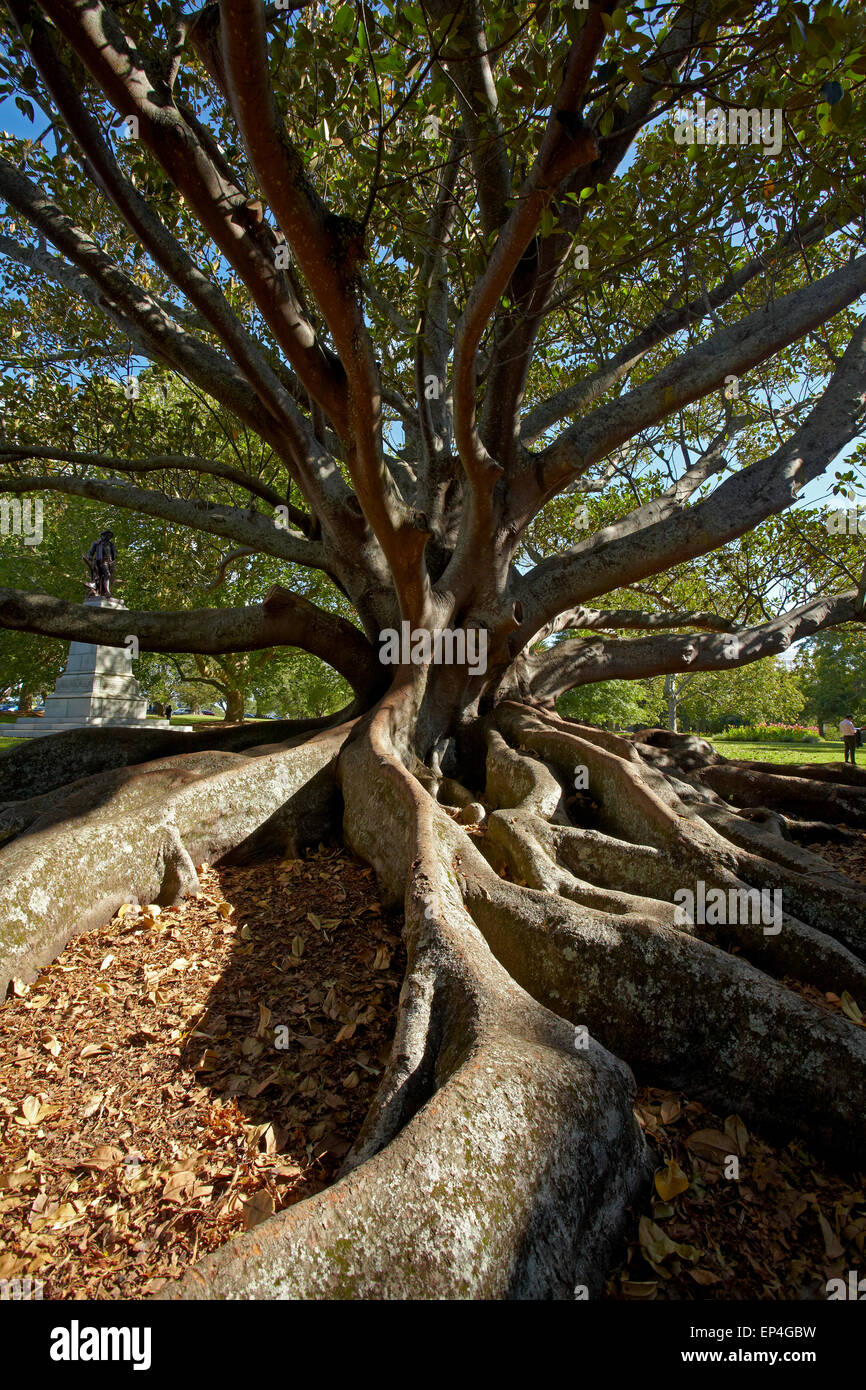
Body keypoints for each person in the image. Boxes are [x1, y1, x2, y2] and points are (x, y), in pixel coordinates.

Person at [83, 529, 117, 598]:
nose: (109, 537)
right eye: (108, 535)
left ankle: (100, 590)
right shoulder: (96, 543)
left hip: (110, 563)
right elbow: (90, 553)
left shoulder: (111, 544)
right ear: (103, 535)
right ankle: (107, 592)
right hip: (101, 562)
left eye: (110, 536)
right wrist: (89, 557)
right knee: (107, 574)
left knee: (108, 577)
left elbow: (114, 554)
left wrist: (115, 555)